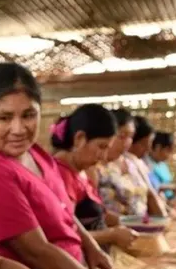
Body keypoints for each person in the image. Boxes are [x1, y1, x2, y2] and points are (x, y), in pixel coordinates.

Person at [0, 62, 137, 269]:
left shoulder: (34, 153)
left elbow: (61, 209)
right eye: (4, 118)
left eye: (29, 115)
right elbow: (37, 253)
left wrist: (90, 245)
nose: (19, 129)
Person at [50, 106, 140, 252]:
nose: (103, 157)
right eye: (101, 147)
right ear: (79, 139)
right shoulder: (58, 175)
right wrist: (110, 235)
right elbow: (62, 236)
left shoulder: (83, 172)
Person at [98, 109, 168, 218]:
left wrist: (163, 222)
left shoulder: (134, 162)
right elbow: (97, 213)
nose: (126, 142)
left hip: (143, 228)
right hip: (116, 231)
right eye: (121, 136)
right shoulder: (96, 167)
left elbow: (151, 196)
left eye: (130, 136)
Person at [147, 131, 176, 205]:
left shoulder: (162, 164)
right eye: (168, 151)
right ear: (158, 148)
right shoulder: (146, 164)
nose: (170, 155)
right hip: (159, 200)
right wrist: (173, 187)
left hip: (170, 197)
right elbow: (153, 187)